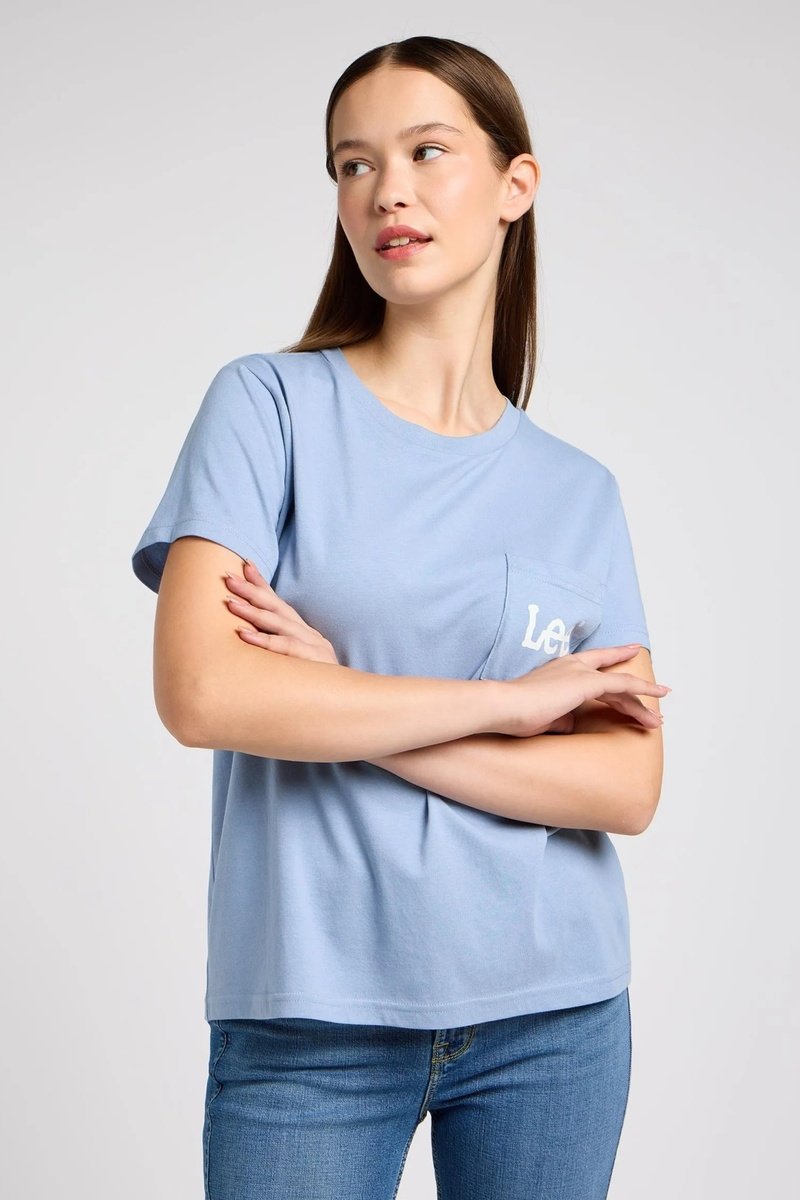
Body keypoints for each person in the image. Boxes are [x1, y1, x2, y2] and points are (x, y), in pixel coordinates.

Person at [131, 34, 669, 1200]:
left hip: (557, 1016)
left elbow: (623, 786)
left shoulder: (579, 491)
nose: (386, 191)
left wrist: (338, 696)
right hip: (311, 1018)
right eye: (353, 163)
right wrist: (507, 710)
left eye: (427, 151)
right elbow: (204, 694)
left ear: (515, 185)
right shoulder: (266, 406)